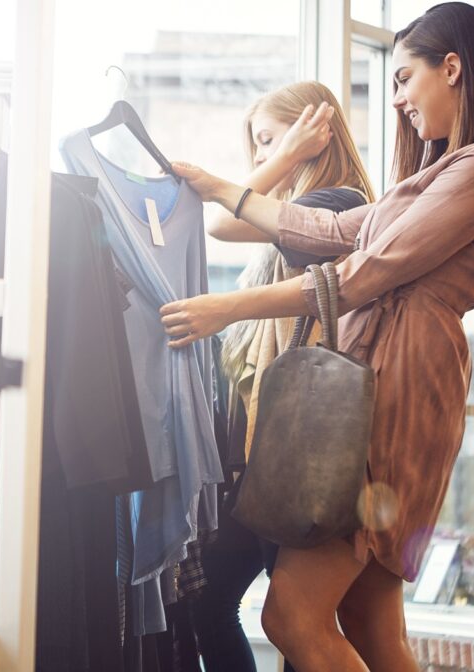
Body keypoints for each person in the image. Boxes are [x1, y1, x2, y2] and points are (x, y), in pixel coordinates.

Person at [161, 3, 474, 670]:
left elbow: (364, 273)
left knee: (291, 615)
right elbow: (334, 234)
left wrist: (228, 307)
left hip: (394, 389)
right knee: (367, 620)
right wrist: (220, 187)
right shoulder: (442, 172)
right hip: (391, 382)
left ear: (451, 68)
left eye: (401, 80)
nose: (396, 102)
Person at [191, 81, 375, 672]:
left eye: (272, 139)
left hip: (299, 447)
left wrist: (287, 153)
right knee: (235, 605)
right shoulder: (299, 215)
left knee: (295, 622)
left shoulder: (335, 207)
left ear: (315, 134)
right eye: (259, 147)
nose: (263, 158)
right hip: (278, 449)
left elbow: (218, 225)